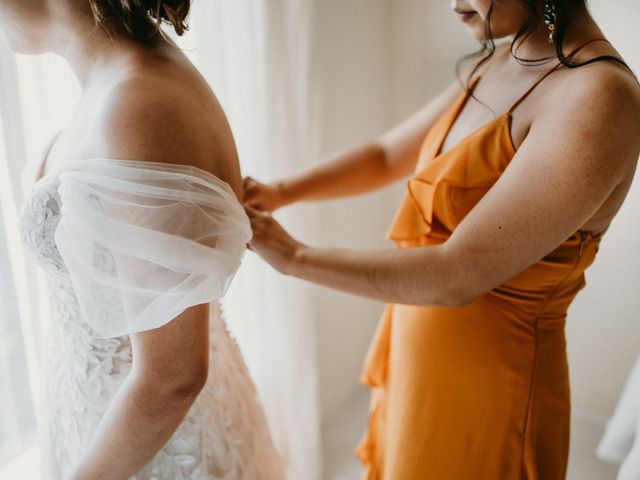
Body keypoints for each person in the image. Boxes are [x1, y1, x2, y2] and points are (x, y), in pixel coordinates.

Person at [243, 0, 640, 478]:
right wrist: (279, 192)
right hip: (418, 361)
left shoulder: (598, 95)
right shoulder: (503, 56)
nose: (452, 2)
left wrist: (293, 256)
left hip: (490, 391)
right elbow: (386, 155)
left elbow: (457, 274)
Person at [4, 0, 283, 478]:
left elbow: (171, 376)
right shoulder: (122, 77)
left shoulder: (137, 105)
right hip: (111, 417)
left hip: (155, 449)